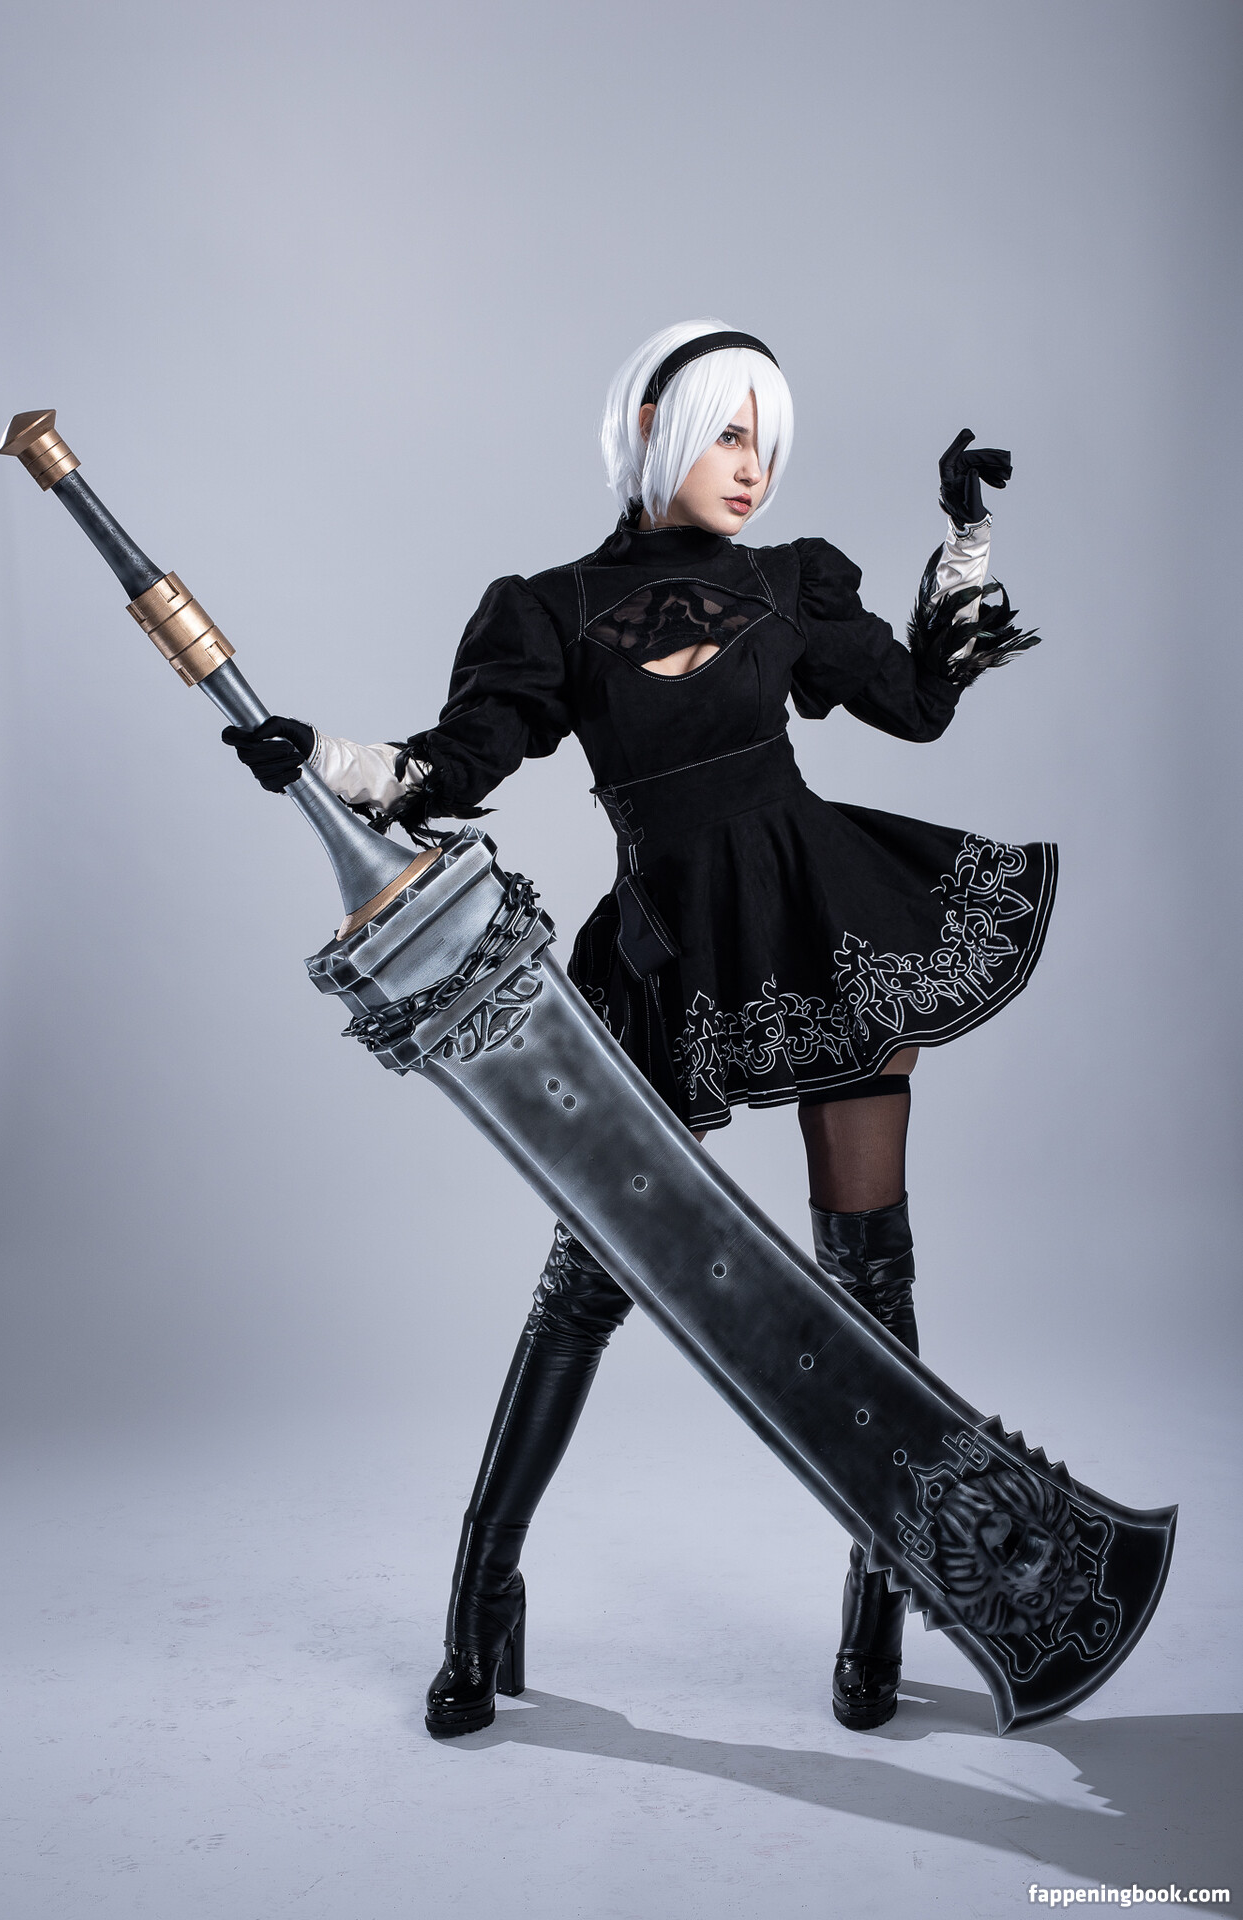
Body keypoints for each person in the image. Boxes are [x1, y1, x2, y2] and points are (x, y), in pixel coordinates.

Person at [225, 319, 1051, 1740]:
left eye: (769, 441)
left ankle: (880, 1599)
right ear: (660, 425)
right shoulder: (547, 612)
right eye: (730, 431)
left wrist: (963, 538)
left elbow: (916, 709)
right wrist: (327, 758)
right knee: (589, 1277)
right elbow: (454, 763)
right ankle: (482, 1594)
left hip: (831, 921)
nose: (755, 465)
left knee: (868, 1287)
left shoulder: (790, 583)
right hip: (671, 956)